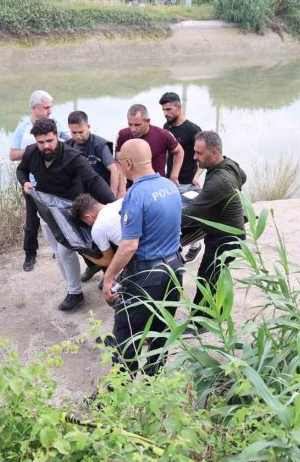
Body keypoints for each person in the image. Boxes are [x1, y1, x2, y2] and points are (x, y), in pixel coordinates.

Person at [103, 139, 184, 376]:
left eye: (119, 162)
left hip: (146, 276)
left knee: (126, 332)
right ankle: (153, 381)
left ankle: (118, 390)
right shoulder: (169, 186)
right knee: (160, 330)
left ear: (128, 164)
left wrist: (109, 277)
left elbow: (129, 245)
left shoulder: (136, 195)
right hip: (174, 270)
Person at [16, 119, 116, 312]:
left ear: (57, 136)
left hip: (71, 210)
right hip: (46, 210)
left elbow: (93, 180)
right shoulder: (30, 153)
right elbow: (21, 170)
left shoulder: (73, 156)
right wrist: (24, 182)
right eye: (41, 142)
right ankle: (74, 289)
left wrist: (112, 204)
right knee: (58, 255)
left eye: (50, 141)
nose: (46, 146)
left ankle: (80, 290)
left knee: (67, 250)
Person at [181, 131, 246, 331]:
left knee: (206, 277)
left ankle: (199, 322)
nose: (194, 157)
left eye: (199, 154)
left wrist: (165, 222)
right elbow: (243, 177)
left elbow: (191, 212)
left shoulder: (219, 181)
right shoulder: (229, 164)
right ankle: (213, 310)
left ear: (215, 152)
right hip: (226, 232)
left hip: (225, 237)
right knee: (214, 275)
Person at [9, 91, 69, 272]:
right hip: (32, 183)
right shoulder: (23, 128)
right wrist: (34, 150)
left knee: (59, 216)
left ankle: (60, 247)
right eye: (46, 107)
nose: (50, 111)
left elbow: (70, 141)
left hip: (56, 180)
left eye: (51, 107)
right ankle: (30, 254)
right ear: (34, 108)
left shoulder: (56, 124)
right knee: (32, 221)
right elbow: (12, 155)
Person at [66, 111, 120, 282]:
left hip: (100, 201)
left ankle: (108, 275)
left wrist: (112, 195)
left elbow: (114, 169)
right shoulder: (68, 146)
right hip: (80, 202)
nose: (78, 136)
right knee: (81, 238)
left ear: (88, 126)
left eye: (81, 131)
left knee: (104, 240)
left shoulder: (99, 145)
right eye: (74, 132)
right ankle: (93, 266)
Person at [159, 92, 204, 264]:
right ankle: (183, 248)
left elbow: (203, 154)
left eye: (169, 109)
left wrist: (197, 176)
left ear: (179, 107)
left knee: (189, 217)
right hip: (171, 181)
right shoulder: (166, 127)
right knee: (173, 217)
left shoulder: (193, 129)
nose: (166, 113)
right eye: (163, 110)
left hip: (188, 183)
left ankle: (194, 247)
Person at [113, 104, 184, 198]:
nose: (133, 129)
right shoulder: (123, 134)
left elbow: (179, 151)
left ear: (147, 121)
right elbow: (119, 162)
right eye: (130, 124)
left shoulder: (163, 134)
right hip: (133, 188)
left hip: (158, 189)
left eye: (137, 125)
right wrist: (121, 189)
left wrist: (174, 176)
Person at [70, 194, 123, 269]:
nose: (88, 225)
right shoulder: (120, 201)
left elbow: (108, 261)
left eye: (86, 222)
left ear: (88, 217)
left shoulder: (97, 229)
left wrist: (89, 257)